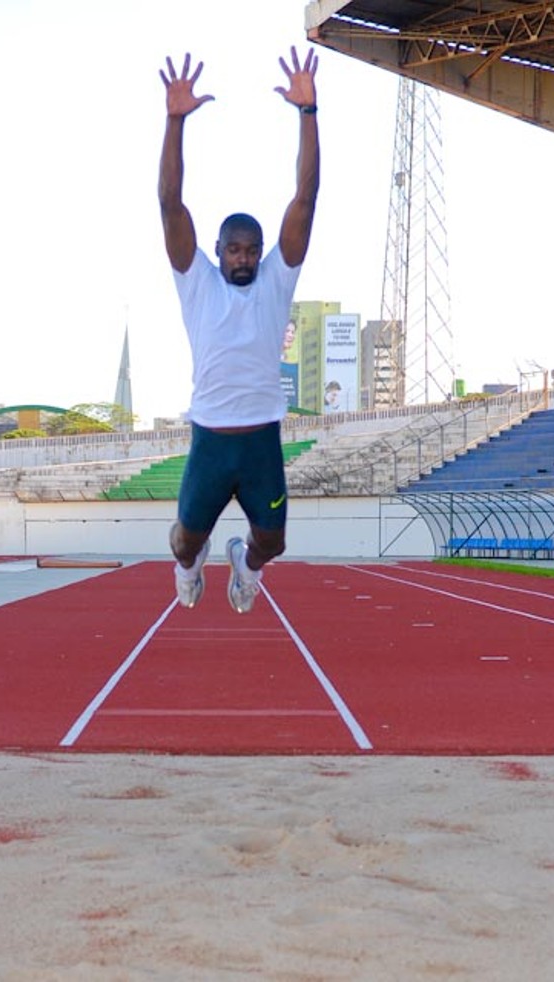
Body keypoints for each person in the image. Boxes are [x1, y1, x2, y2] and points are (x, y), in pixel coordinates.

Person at [158, 46, 319, 613]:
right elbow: (170, 202)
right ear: (219, 252)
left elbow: (305, 199)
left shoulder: (276, 281)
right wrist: (175, 121)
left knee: (273, 541)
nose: (246, 258)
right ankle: (193, 564)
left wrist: (307, 114)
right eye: (235, 250)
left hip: (259, 442)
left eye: (253, 249)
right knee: (182, 541)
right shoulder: (196, 281)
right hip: (209, 439)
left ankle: (245, 566)